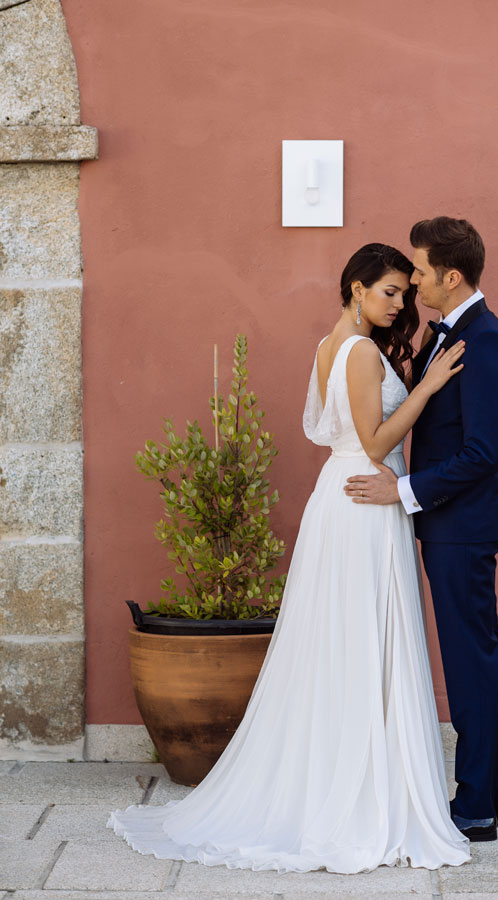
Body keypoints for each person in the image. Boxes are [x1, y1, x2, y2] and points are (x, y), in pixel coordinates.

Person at [108, 243, 471, 872]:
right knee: (358, 641)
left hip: (351, 497)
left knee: (349, 641)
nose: (398, 304)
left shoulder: (332, 345)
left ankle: (356, 776)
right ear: (356, 289)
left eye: (402, 295)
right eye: (388, 292)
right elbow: (376, 439)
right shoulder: (357, 352)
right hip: (364, 500)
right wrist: (430, 386)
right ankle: (355, 792)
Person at [345, 219, 498, 843]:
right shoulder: (450, 333)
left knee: (471, 660)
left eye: (418, 271)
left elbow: (481, 454)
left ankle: (473, 805)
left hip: (461, 524)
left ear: (450, 276)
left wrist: (404, 491)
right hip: (452, 523)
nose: (413, 281)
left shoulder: (487, 341)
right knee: (485, 652)